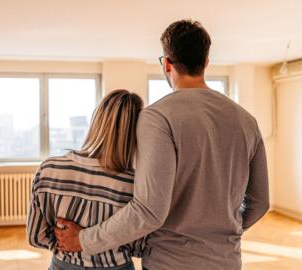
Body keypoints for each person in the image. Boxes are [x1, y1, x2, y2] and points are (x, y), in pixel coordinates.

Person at [54, 20, 270, 270]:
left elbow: (149, 210)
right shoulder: (246, 121)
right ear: (206, 62)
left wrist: (84, 240)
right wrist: (223, 233)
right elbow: (260, 202)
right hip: (227, 261)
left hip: (169, 263)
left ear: (166, 63)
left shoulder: (157, 117)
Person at [27, 89, 144, 270]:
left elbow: (36, 237)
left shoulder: (48, 169)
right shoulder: (136, 183)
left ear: (96, 121)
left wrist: (72, 244)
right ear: (135, 133)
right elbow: (139, 247)